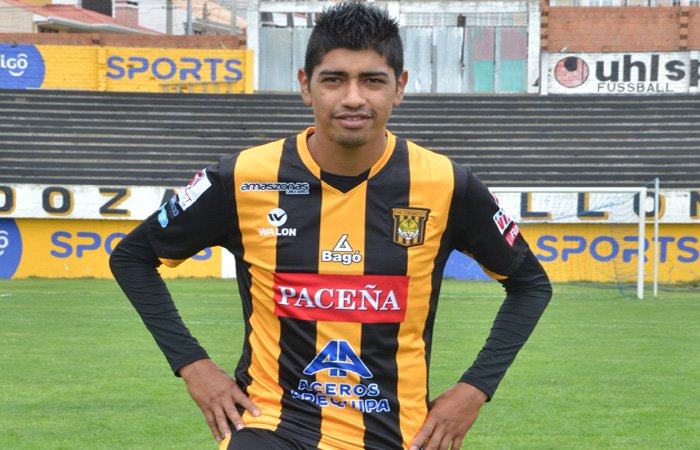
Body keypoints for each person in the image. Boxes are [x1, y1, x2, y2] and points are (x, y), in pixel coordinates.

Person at [110, 2, 552, 449]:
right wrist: (193, 365)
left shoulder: (446, 184)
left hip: (398, 434)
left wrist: (474, 389)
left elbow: (530, 284)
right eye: (334, 79)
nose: (353, 97)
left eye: (373, 80)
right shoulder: (241, 177)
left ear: (399, 87)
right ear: (306, 85)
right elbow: (133, 257)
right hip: (271, 424)